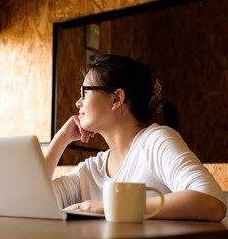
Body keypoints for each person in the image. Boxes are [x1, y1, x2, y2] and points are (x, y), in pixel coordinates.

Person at [44, 54, 227, 221]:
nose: (78, 102)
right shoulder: (92, 169)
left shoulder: (155, 141)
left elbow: (212, 203)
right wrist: (61, 139)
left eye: (85, 92)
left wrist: (111, 207)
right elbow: (33, 199)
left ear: (116, 99)